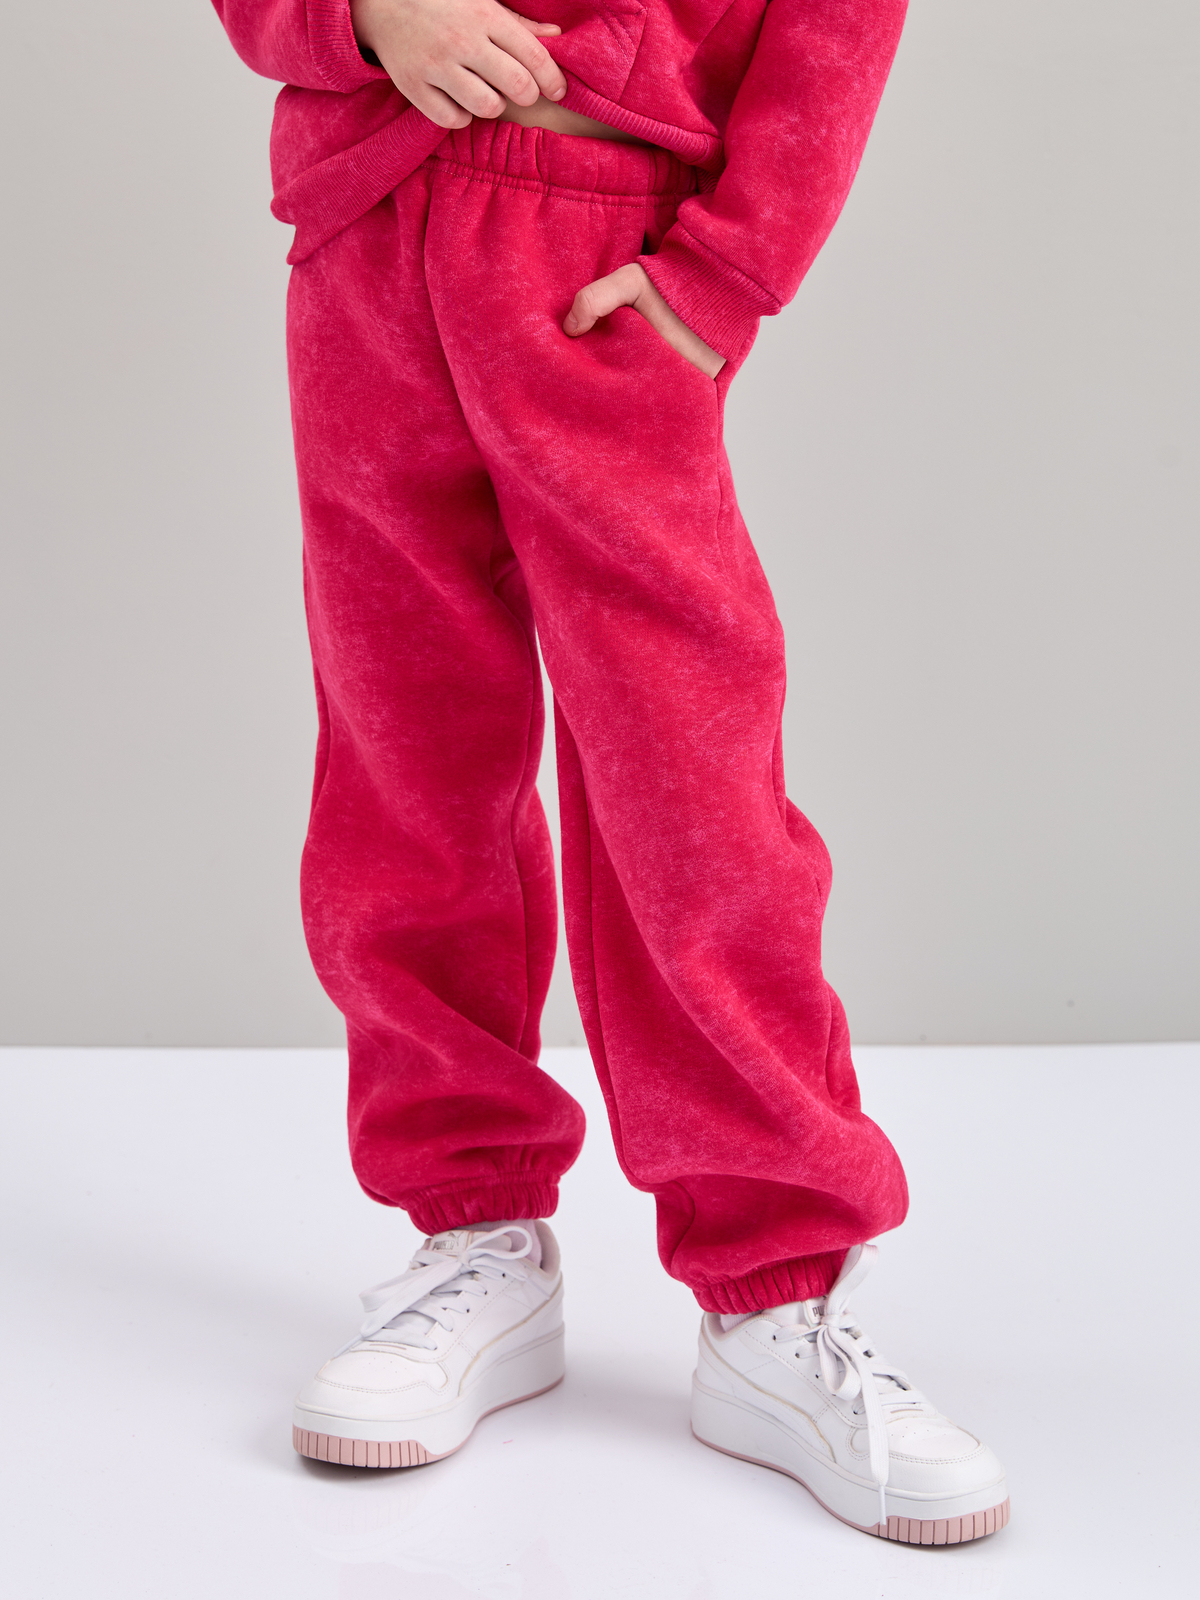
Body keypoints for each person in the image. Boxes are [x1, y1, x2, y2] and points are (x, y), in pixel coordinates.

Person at [212, 0, 1008, 1545]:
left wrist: (725, 276)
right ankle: (478, 1236)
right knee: (403, 763)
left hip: (601, 259)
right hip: (370, 229)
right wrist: (364, 13)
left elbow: (840, 24)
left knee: (689, 788)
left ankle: (775, 1292)